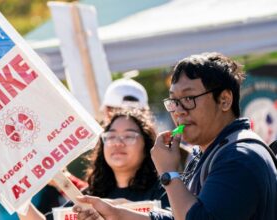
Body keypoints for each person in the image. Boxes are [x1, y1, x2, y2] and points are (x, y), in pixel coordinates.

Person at [73, 52, 277, 220]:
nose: (178, 111)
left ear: (224, 100)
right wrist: (115, 214)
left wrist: (169, 173)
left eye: (189, 98)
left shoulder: (238, 156)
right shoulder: (207, 152)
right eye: (173, 101)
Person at [19, 109, 169, 219]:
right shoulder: (87, 196)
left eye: (129, 136)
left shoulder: (165, 190)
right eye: (110, 137)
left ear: (147, 144)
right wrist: (20, 198)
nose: (117, 143)